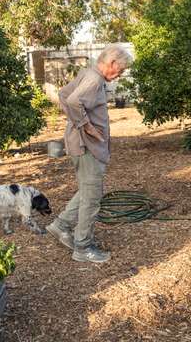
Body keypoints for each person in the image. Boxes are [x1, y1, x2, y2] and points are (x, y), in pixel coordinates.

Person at [46, 44, 132, 263]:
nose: (119, 74)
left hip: (80, 145)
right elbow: (73, 101)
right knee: (92, 197)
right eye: (120, 70)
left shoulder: (88, 74)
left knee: (87, 190)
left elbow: (64, 95)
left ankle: (61, 225)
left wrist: (78, 123)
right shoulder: (94, 80)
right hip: (86, 147)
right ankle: (82, 247)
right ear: (112, 63)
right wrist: (85, 125)